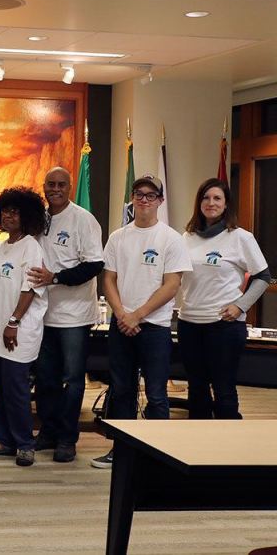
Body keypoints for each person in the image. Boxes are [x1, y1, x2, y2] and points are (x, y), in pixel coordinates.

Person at [92, 174, 192, 469]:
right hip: (121, 325)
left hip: (154, 328)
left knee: (156, 393)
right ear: (133, 199)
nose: (144, 200)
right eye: (139, 194)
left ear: (160, 201)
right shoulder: (118, 237)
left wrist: (137, 314)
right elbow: (108, 279)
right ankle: (122, 452)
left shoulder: (171, 238)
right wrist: (122, 313)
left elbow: (171, 285)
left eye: (151, 195)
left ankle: (156, 455)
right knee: (121, 390)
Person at [27, 167, 104, 463]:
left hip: (74, 316)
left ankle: (67, 439)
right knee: (45, 378)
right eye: (50, 184)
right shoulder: (39, 219)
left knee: (72, 379)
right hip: (42, 314)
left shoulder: (83, 220)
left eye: (61, 184)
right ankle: (47, 432)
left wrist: (55, 277)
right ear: (43, 187)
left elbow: (94, 264)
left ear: (70, 187)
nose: (55, 189)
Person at [178, 177, 269, 419]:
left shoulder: (240, 237)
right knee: (196, 388)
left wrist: (241, 306)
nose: (211, 203)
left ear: (226, 204)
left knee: (224, 390)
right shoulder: (186, 238)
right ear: (199, 203)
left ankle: (227, 450)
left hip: (224, 326)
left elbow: (263, 277)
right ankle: (197, 451)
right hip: (189, 323)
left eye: (217, 198)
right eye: (206, 198)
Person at [0, 187, 48, 467]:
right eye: (5, 211)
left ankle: (25, 444)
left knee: (17, 389)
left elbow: (29, 288)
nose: (8, 216)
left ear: (27, 216)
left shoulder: (31, 246)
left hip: (18, 329)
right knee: (1, 388)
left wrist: (14, 322)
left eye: (15, 211)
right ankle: (5, 440)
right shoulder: (3, 246)